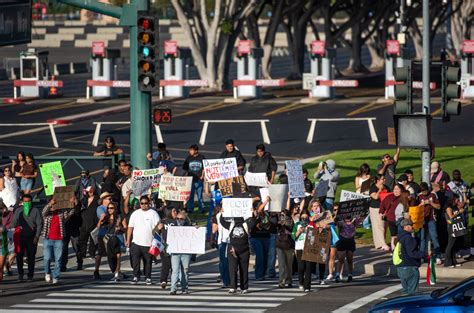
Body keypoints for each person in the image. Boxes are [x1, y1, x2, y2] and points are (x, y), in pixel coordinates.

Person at [220, 210, 258, 294]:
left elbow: (254, 222)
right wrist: (223, 213)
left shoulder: (245, 225)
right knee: (232, 269)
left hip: (244, 250)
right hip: (232, 250)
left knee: (243, 269)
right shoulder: (231, 224)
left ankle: (244, 287)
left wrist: (252, 214)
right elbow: (222, 222)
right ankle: (233, 287)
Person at [41, 196, 77, 284]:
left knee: (58, 259)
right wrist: (50, 204)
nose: (54, 206)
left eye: (55, 204)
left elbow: (70, 213)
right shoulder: (47, 214)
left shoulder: (61, 213)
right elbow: (43, 212)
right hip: (48, 238)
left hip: (59, 239)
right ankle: (47, 272)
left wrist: (73, 203)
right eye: (53, 204)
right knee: (47, 258)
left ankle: (56, 276)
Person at [126, 195, 160, 285]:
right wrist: (128, 240)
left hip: (148, 242)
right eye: (142, 203)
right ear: (139, 204)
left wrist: (158, 228)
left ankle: (148, 277)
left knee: (148, 261)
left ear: (149, 203)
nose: (144, 205)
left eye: (146, 203)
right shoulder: (135, 213)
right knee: (135, 261)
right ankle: (136, 276)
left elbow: (158, 227)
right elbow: (130, 227)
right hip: (136, 242)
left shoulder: (153, 213)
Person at [11, 194, 42, 281]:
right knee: (19, 257)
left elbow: (39, 224)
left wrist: (37, 236)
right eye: (25, 201)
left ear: (31, 202)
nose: (27, 203)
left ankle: (30, 275)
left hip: (31, 237)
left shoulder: (35, 211)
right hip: (20, 237)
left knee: (31, 257)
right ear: (22, 202)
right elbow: (14, 223)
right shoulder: (18, 211)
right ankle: (20, 274)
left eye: (28, 201)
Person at [100, 201, 127, 281]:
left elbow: (126, 228)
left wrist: (120, 228)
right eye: (108, 208)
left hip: (118, 237)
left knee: (118, 256)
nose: (109, 210)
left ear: (115, 209)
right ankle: (117, 272)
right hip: (108, 238)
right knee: (111, 257)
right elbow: (99, 227)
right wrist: (101, 220)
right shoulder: (106, 217)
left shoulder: (120, 217)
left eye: (111, 208)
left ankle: (117, 273)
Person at [397, 218, 425, 295]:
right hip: (409, 267)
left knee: (405, 292)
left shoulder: (400, 237)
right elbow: (412, 253)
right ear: (406, 227)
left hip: (401, 268)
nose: (412, 227)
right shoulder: (408, 238)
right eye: (411, 225)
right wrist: (424, 254)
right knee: (413, 293)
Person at [169, 211, 193, 295]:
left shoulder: (189, 227)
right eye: (177, 218)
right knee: (175, 270)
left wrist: (196, 229)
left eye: (181, 219)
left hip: (186, 252)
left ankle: (184, 288)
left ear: (185, 219)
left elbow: (195, 236)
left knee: (185, 270)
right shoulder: (172, 227)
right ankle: (173, 289)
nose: (179, 220)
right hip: (175, 252)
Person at [417, 182, 442, 265]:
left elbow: (438, 206)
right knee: (422, 238)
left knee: (434, 237)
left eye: (425, 191)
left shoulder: (433, 195)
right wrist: (421, 204)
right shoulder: (419, 197)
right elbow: (416, 208)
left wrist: (430, 203)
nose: (424, 193)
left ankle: (438, 256)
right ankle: (421, 256)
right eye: (423, 191)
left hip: (431, 219)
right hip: (422, 220)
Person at [249, 197, 272, 281]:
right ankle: (258, 274)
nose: (262, 207)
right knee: (260, 256)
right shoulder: (254, 213)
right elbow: (258, 211)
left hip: (266, 237)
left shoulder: (265, 214)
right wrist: (266, 201)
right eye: (259, 205)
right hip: (256, 238)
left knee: (265, 256)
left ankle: (263, 273)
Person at [93, 192, 114, 280]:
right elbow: (102, 216)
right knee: (100, 253)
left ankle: (116, 271)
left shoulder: (112, 207)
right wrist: (109, 213)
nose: (110, 200)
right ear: (103, 200)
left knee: (113, 253)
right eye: (109, 199)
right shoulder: (100, 208)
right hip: (103, 233)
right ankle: (96, 270)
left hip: (111, 232)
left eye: (111, 199)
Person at [292, 210, 313, 292]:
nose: (304, 219)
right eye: (302, 217)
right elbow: (293, 236)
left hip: (309, 248)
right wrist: (299, 231)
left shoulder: (311, 225)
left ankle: (307, 286)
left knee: (308, 267)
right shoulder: (297, 225)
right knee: (301, 267)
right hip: (299, 248)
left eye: (306, 217)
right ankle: (301, 282)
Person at [335, 216, 361, 283]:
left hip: (350, 241)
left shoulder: (354, 221)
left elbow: (359, 220)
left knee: (350, 259)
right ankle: (337, 275)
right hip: (342, 241)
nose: (347, 220)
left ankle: (350, 275)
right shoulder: (341, 222)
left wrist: (356, 218)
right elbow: (336, 223)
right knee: (341, 258)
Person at [158, 207, 178, 289]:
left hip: (176, 247)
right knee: (166, 264)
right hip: (165, 247)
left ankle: (174, 281)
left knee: (175, 265)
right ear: (169, 212)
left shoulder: (179, 221)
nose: (176, 212)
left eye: (176, 211)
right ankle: (163, 280)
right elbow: (154, 232)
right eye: (173, 211)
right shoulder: (163, 221)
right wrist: (158, 228)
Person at [211, 205, 230, 288]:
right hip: (223, 241)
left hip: (231, 240)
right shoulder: (218, 216)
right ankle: (226, 281)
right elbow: (213, 230)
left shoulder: (232, 214)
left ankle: (229, 280)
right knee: (224, 262)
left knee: (229, 262)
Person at [369, 175, 390, 251]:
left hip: (385, 209)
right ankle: (383, 244)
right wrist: (380, 189)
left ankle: (380, 244)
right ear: (378, 180)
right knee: (379, 227)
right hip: (375, 209)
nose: (384, 180)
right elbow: (375, 197)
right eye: (382, 179)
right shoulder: (373, 188)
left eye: (384, 178)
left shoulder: (386, 187)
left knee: (384, 226)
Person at [78, 186, 99, 263]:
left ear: (92, 192)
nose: (87, 193)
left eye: (89, 192)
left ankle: (92, 254)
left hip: (93, 222)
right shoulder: (84, 200)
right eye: (86, 192)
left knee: (93, 240)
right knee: (82, 239)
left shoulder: (97, 200)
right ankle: (82, 254)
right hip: (84, 223)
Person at [182, 144, 206, 213]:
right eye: (190, 150)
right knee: (191, 196)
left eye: (191, 150)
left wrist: (202, 175)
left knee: (200, 196)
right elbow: (185, 169)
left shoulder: (202, 157)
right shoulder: (189, 158)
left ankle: (201, 208)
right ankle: (190, 208)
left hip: (199, 180)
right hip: (190, 180)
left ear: (196, 151)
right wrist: (183, 176)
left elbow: (204, 168)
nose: (190, 151)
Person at [445, 197, 466, 267]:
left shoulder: (455, 207)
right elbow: (451, 217)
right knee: (450, 244)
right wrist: (459, 212)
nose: (458, 201)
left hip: (456, 228)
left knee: (454, 245)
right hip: (451, 228)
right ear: (452, 200)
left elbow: (464, 203)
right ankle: (448, 262)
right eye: (457, 200)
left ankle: (454, 261)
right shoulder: (449, 208)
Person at [276, 206, 294, 288]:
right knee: (281, 264)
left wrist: (285, 222)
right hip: (280, 244)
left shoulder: (290, 221)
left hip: (289, 245)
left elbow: (290, 226)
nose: (282, 217)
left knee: (289, 264)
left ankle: (289, 280)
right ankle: (281, 281)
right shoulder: (279, 222)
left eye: (284, 215)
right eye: (281, 215)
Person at [380, 184, 402, 251]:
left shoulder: (404, 197)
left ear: (401, 190)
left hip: (401, 219)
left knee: (400, 235)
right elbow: (382, 205)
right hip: (391, 219)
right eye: (395, 189)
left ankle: (401, 250)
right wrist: (381, 213)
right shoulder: (389, 197)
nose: (396, 191)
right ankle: (394, 251)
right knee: (393, 236)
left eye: (398, 189)